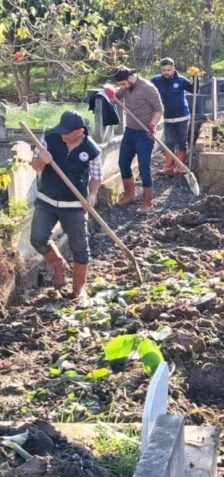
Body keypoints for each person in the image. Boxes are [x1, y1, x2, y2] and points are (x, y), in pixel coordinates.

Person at [30, 111, 102, 301]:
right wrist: (42, 162)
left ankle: (79, 287)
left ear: (79, 132)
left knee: (80, 247)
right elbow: (35, 165)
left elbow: (96, 177)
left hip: (75, 205)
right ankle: (56, 263)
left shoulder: (91, 150)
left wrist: (93, 194)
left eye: (66, 132)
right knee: (37, 238)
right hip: (47, 200)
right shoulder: (50, 138)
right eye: (61, 130)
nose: (62, 134)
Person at [103, 67, 163, 214]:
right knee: (123, 162)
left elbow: (159, 109)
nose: (122, 87)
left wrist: (152, 125)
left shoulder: (147, 88)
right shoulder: (126, 88)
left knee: (144, 167)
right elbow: (115, 96)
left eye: (123, 84)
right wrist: (110, 91)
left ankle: (148, 203)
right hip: (130, 131)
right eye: (120, 85)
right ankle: (129, 194)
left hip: (145, 132)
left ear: (131, 78)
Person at [151, 57, 195, 176]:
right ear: (161, 69)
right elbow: (145, 88)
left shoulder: (181, 80)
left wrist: (195, 77)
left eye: (169, 70)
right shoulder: (156, 80)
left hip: (183, 117)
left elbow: (194, 90)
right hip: (167, 118)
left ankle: (181, 167)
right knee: (169, 143)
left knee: (181, 142)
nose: (166, 72)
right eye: (164, 70)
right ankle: (168, 168)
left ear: (173, 69)